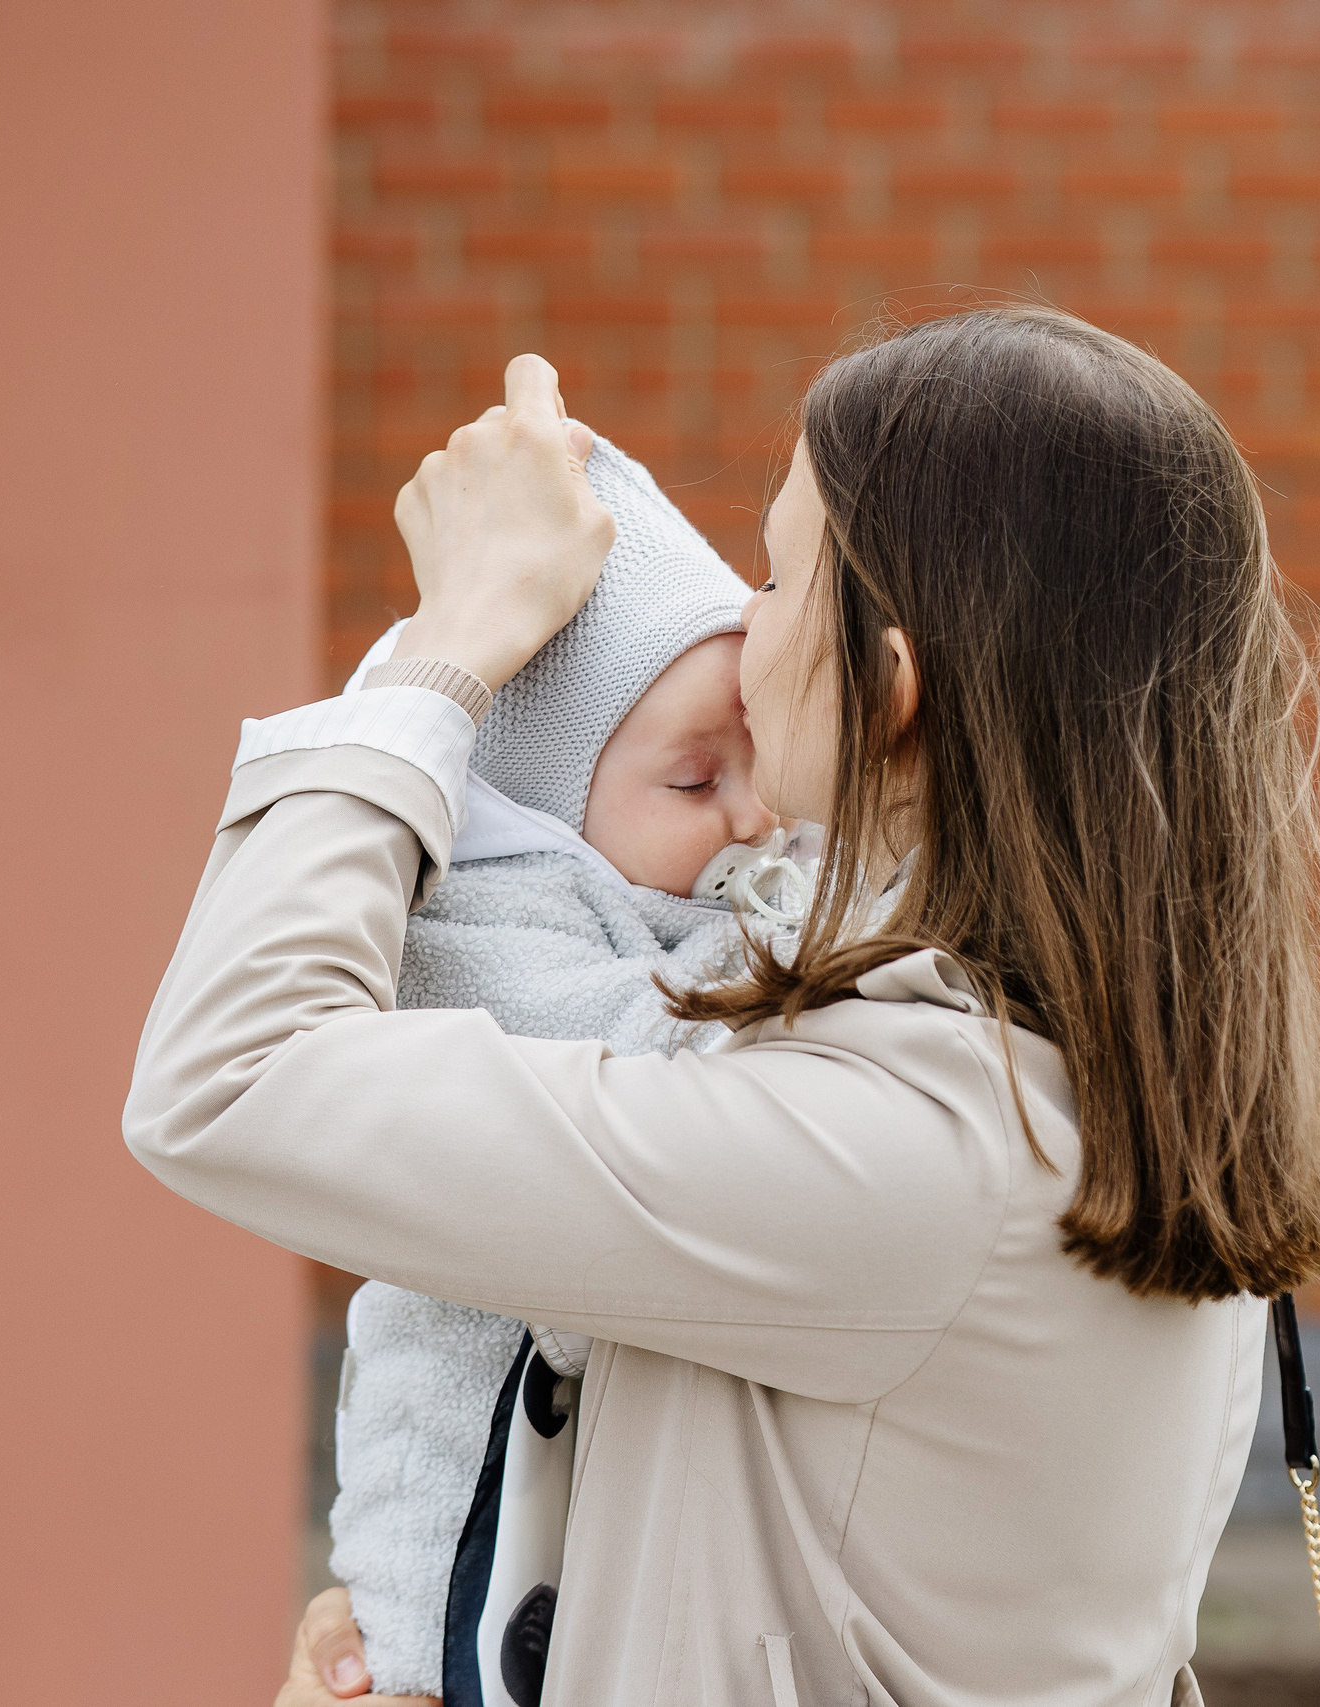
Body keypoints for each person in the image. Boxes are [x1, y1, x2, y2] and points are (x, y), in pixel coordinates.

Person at [126, 306, 1320, 1707]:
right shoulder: (1065, 1072)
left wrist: (448, 643)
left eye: (773, 580)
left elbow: (229, 1076)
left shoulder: (911, 1145)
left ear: (892, 687)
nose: (738, 628)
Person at [330, 433, 788, 1706]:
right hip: (469, 1493)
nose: (754, 816)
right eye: (697, 775)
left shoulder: (671, 883)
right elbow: (647, 1079)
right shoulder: (473, 930)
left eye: (755, 761)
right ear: (534, 793)